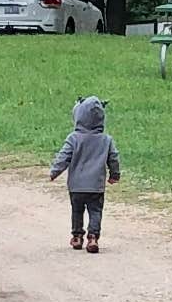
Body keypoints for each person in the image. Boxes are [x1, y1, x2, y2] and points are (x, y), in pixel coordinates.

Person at [45, 93, 119, 253]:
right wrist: (114, 175)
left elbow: (63, 157)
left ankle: (77, 236)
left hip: (76, 186)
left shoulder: (73, 138)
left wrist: (54, 172)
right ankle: (93, 237)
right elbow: (113, 158)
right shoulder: (106, 140)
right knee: (95, 211)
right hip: (96, 186)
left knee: (77, 211)